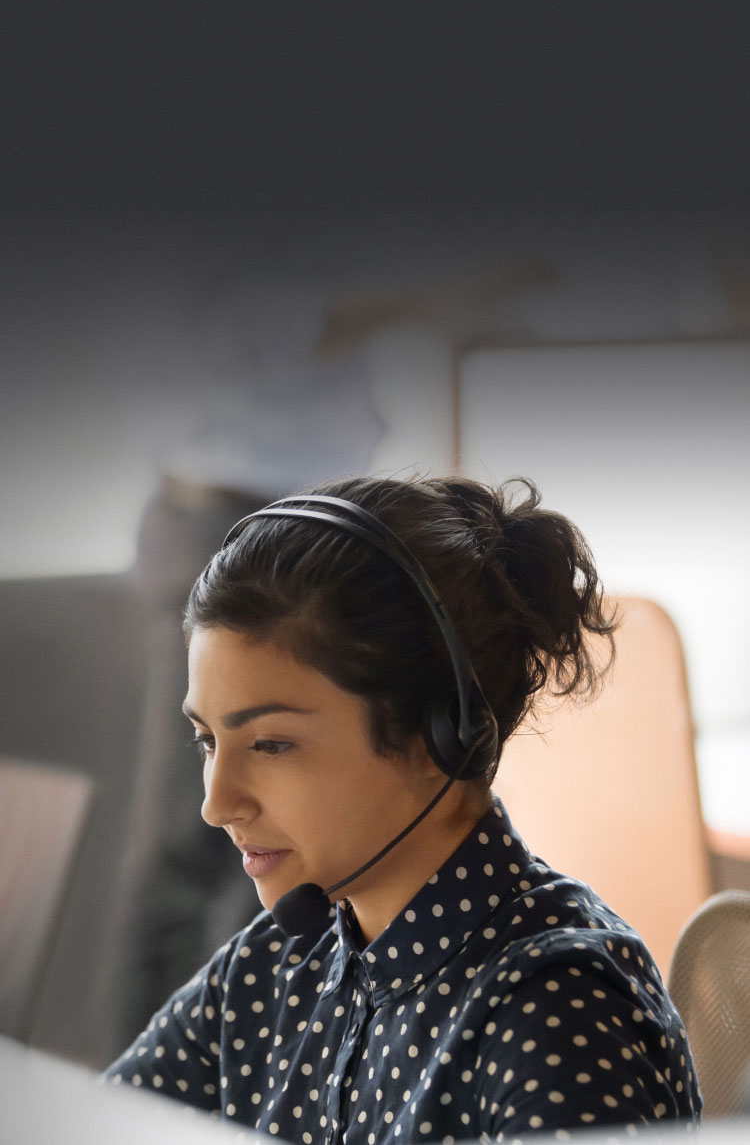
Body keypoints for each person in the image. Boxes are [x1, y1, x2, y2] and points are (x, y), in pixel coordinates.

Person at [105, 475, 702, 1141]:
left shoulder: (556, 1010)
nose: (216, 805)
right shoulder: (272, 965)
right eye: (208, 741)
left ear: (442, 734)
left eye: (272, 744)